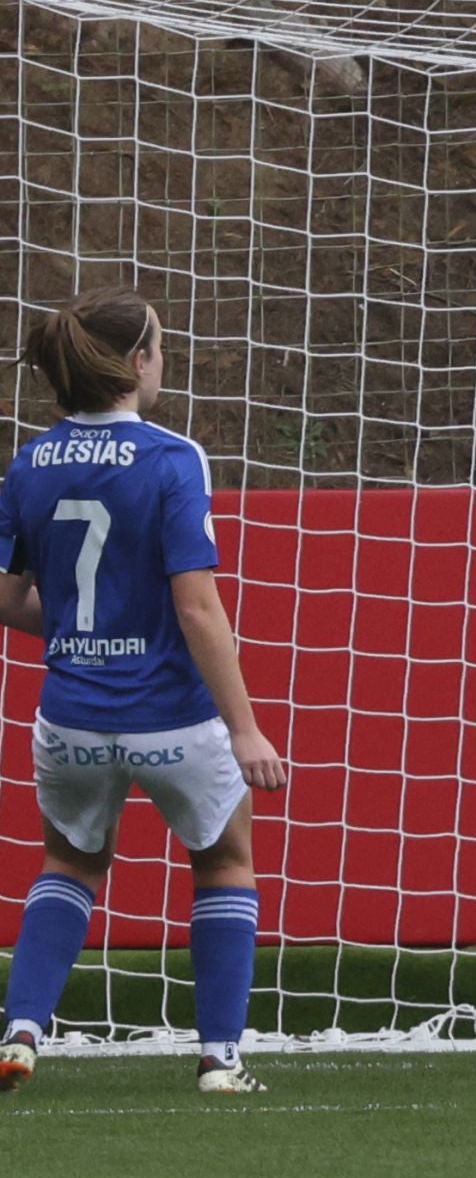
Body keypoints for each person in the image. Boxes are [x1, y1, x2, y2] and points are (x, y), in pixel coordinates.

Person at [0, 287, 286, 1095]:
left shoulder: (28, 462)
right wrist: (245, 729)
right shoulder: (171, 456)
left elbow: (3, 594)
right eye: (159, 347)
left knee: (68, 862)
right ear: (136, 363)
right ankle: (220, 1059)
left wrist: (78, 637)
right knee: (226, 862)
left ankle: (22, 1028)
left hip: (72, 720)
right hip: (172, 717)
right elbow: (197, 606)